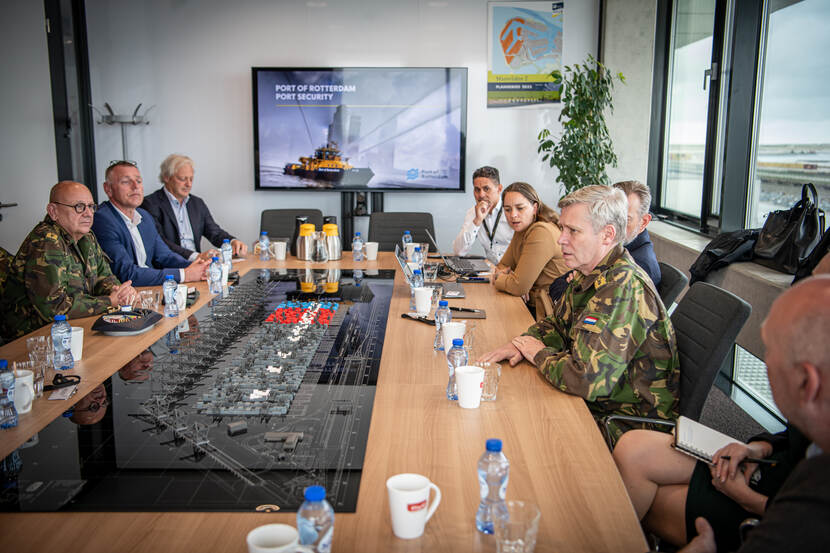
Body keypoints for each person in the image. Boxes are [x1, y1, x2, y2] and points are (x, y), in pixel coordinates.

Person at [481, 185, 679, 439]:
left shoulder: (621, 287)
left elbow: (585, 378)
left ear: (607, 235)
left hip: (624, 424)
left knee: (513, 427)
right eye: (562, 228)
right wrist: (519, 344)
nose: (561, 239)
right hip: (597, 403)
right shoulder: (591, 271)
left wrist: (537, 353)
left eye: (573, 231)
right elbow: (557, 324)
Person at [679, 276, 830, 553]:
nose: (765, 361)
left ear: (807, 382)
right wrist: (757, 448)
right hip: (762, 471)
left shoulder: (813, 506)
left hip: (755, 500)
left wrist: (746, 498)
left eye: (771, 349)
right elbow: (793, 436)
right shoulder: (819, 422)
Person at [1, 181, 137, 340]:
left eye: (91, 206)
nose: (88, 213)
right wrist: (109, 301)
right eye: (79, 207)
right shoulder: (47, 241)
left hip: (76, 327)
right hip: (35, 340)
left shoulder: (87, 236)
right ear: (53, 211)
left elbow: (103, 277)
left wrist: (120, 292)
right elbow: (55, 308)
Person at [91, 161, 208, 287]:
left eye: (139, 181)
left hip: (151, 290)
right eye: (126, 182)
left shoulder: (144, 216)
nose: (135, 186)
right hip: (127, 297)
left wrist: (198, 266)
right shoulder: (102, 220)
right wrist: (184, 274)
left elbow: (165, 256)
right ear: (108, 189)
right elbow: (127, 274)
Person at [141, 154, 247, 261]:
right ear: (166, 177)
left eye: (191, 179)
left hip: (198, 264)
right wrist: (196, 256)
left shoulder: (197, 203)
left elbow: (214, 232)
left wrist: (232, 242)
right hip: (171, 267)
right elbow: (160, 242)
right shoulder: (150, 204)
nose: (188, 184)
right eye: (183, 179)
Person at [490, 182, 569, 321]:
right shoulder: (522, 228)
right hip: (532, 306)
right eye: (507, 209)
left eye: (520, 208)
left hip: (550, 315)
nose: (513, 215)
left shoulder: (541, 231)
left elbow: (518, 286)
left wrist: (500, 279)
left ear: (535, 208)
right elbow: (502, 266)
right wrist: (514, 279)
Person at [452, 166, 514, 264]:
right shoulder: (473, 212)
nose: (481, 195)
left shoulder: (512, 210)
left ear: (499, 189)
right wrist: (477, 221)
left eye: (486, 189)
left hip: (513, 270)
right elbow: (458, 252)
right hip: (491, 271)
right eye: (477, 189)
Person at [612, 179, 661, 287]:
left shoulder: (638, 267)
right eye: (611, 216)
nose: (614, 226)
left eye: (625, 219)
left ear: (643, 222)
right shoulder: (615, 248)